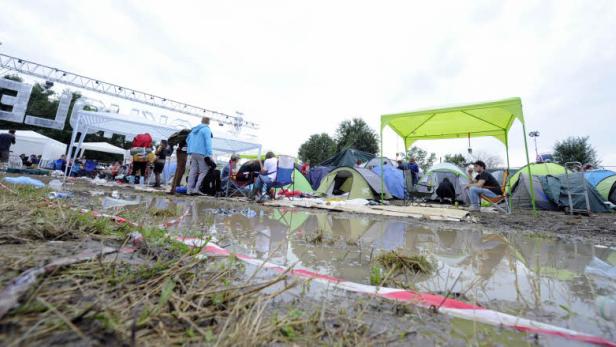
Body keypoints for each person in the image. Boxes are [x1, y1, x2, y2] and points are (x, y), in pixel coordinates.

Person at [186, 117, 213, 195]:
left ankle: (189, 190)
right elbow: (208, 142)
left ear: (201, 121)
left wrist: (191, 148)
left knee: (192, 171)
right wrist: (210, 153)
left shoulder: (194, 130)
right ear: (209, 122)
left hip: (193, 152)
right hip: (202, 153)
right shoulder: (206, 129)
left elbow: (187, 140)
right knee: (204, 171)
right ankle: (196, 189)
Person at [167, 128, 190, 195]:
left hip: (180, 152)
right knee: (180, 170)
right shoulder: (188, 135)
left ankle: (173, 188)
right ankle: (175, 189)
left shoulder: (183, 135)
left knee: (179, 170)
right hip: (182, 153)